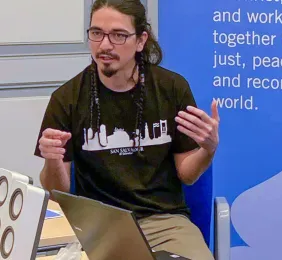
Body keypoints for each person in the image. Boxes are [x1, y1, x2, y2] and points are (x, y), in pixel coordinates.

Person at [34, 0, 217, 259]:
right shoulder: (67, 99)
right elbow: (57, 193)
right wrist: (53, 160)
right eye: (97, 33)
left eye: (118, 35)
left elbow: (186, 175)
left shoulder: (172, 88)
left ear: (141, 41)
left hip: (164, 222)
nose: (105, 45)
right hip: (98, 226)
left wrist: (208, 150)